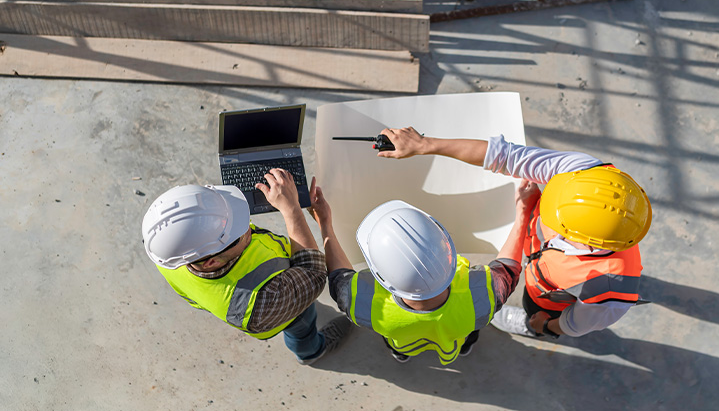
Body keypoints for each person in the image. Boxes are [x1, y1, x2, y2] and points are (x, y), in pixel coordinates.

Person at [376, 127, 652, 340]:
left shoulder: (610, 292)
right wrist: (425, 145)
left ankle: (528, 327)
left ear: (581, 239)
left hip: (549, 300)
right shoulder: (587, 175)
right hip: (543, 270)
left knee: (534, 311)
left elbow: (576, 324)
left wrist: (545, 324)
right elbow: (505, 156)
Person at [307, 175, 539, 364]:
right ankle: (465, 347)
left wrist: (324, 223)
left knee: (399, 344)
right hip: (454, 337)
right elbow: (508, 269)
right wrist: (523, 213)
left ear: (381, 277)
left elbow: (339, 278)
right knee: (466, 336)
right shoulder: (483, 296)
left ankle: (400, 354)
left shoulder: (363, 302)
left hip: (402, 339)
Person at [141, 168, 352, 365]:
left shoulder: (169, 251)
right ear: (211, 261)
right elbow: (312, 274)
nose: (247, 227)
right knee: (302, 328)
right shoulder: (263, 303)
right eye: (237, 234)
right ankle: (311, 352)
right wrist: (292, 210)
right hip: (282, 312)